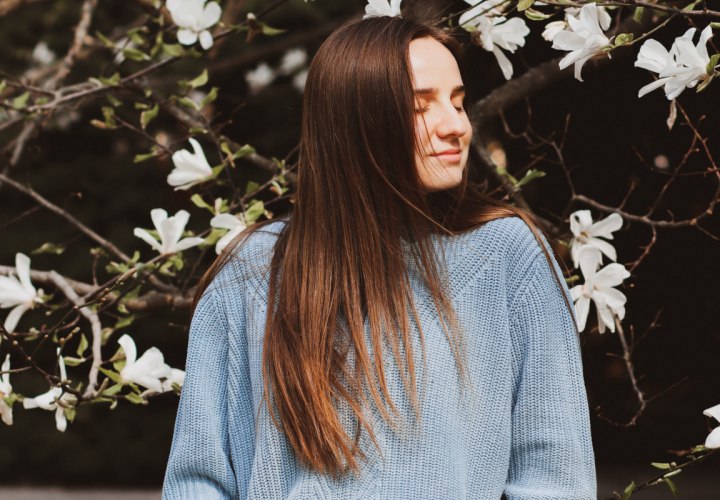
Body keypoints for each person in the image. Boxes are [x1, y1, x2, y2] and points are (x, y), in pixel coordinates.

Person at [162, 14, 596, 500]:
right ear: (357, 123)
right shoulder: (251, 272)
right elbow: (198, 482)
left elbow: (555, 481)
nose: (456, 126)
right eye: (421, 106)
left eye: (457, 102)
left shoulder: (508, 256)